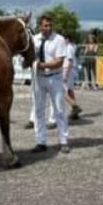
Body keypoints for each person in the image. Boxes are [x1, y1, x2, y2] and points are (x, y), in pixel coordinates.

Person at [31, 14, 71, 154]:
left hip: (55, 78)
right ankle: (40, 141)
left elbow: (59, 61)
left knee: (59, 110)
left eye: (50, 25)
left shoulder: (59, 39)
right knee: (38, 110)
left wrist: (41, 65)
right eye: (45, 25)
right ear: (40, 26)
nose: (48, 28)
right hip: (38, 78)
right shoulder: (34, 39)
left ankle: (63, 141)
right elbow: (29, 57)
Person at [64, 32, 82, 120]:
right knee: (70, 91)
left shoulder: (68, 48)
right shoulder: (69, 47)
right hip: (69, 70)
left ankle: (74, 106)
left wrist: (66, 74)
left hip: (68, 70)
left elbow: (69, 61)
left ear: (67, 39)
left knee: (61, 91)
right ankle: (74, 111)